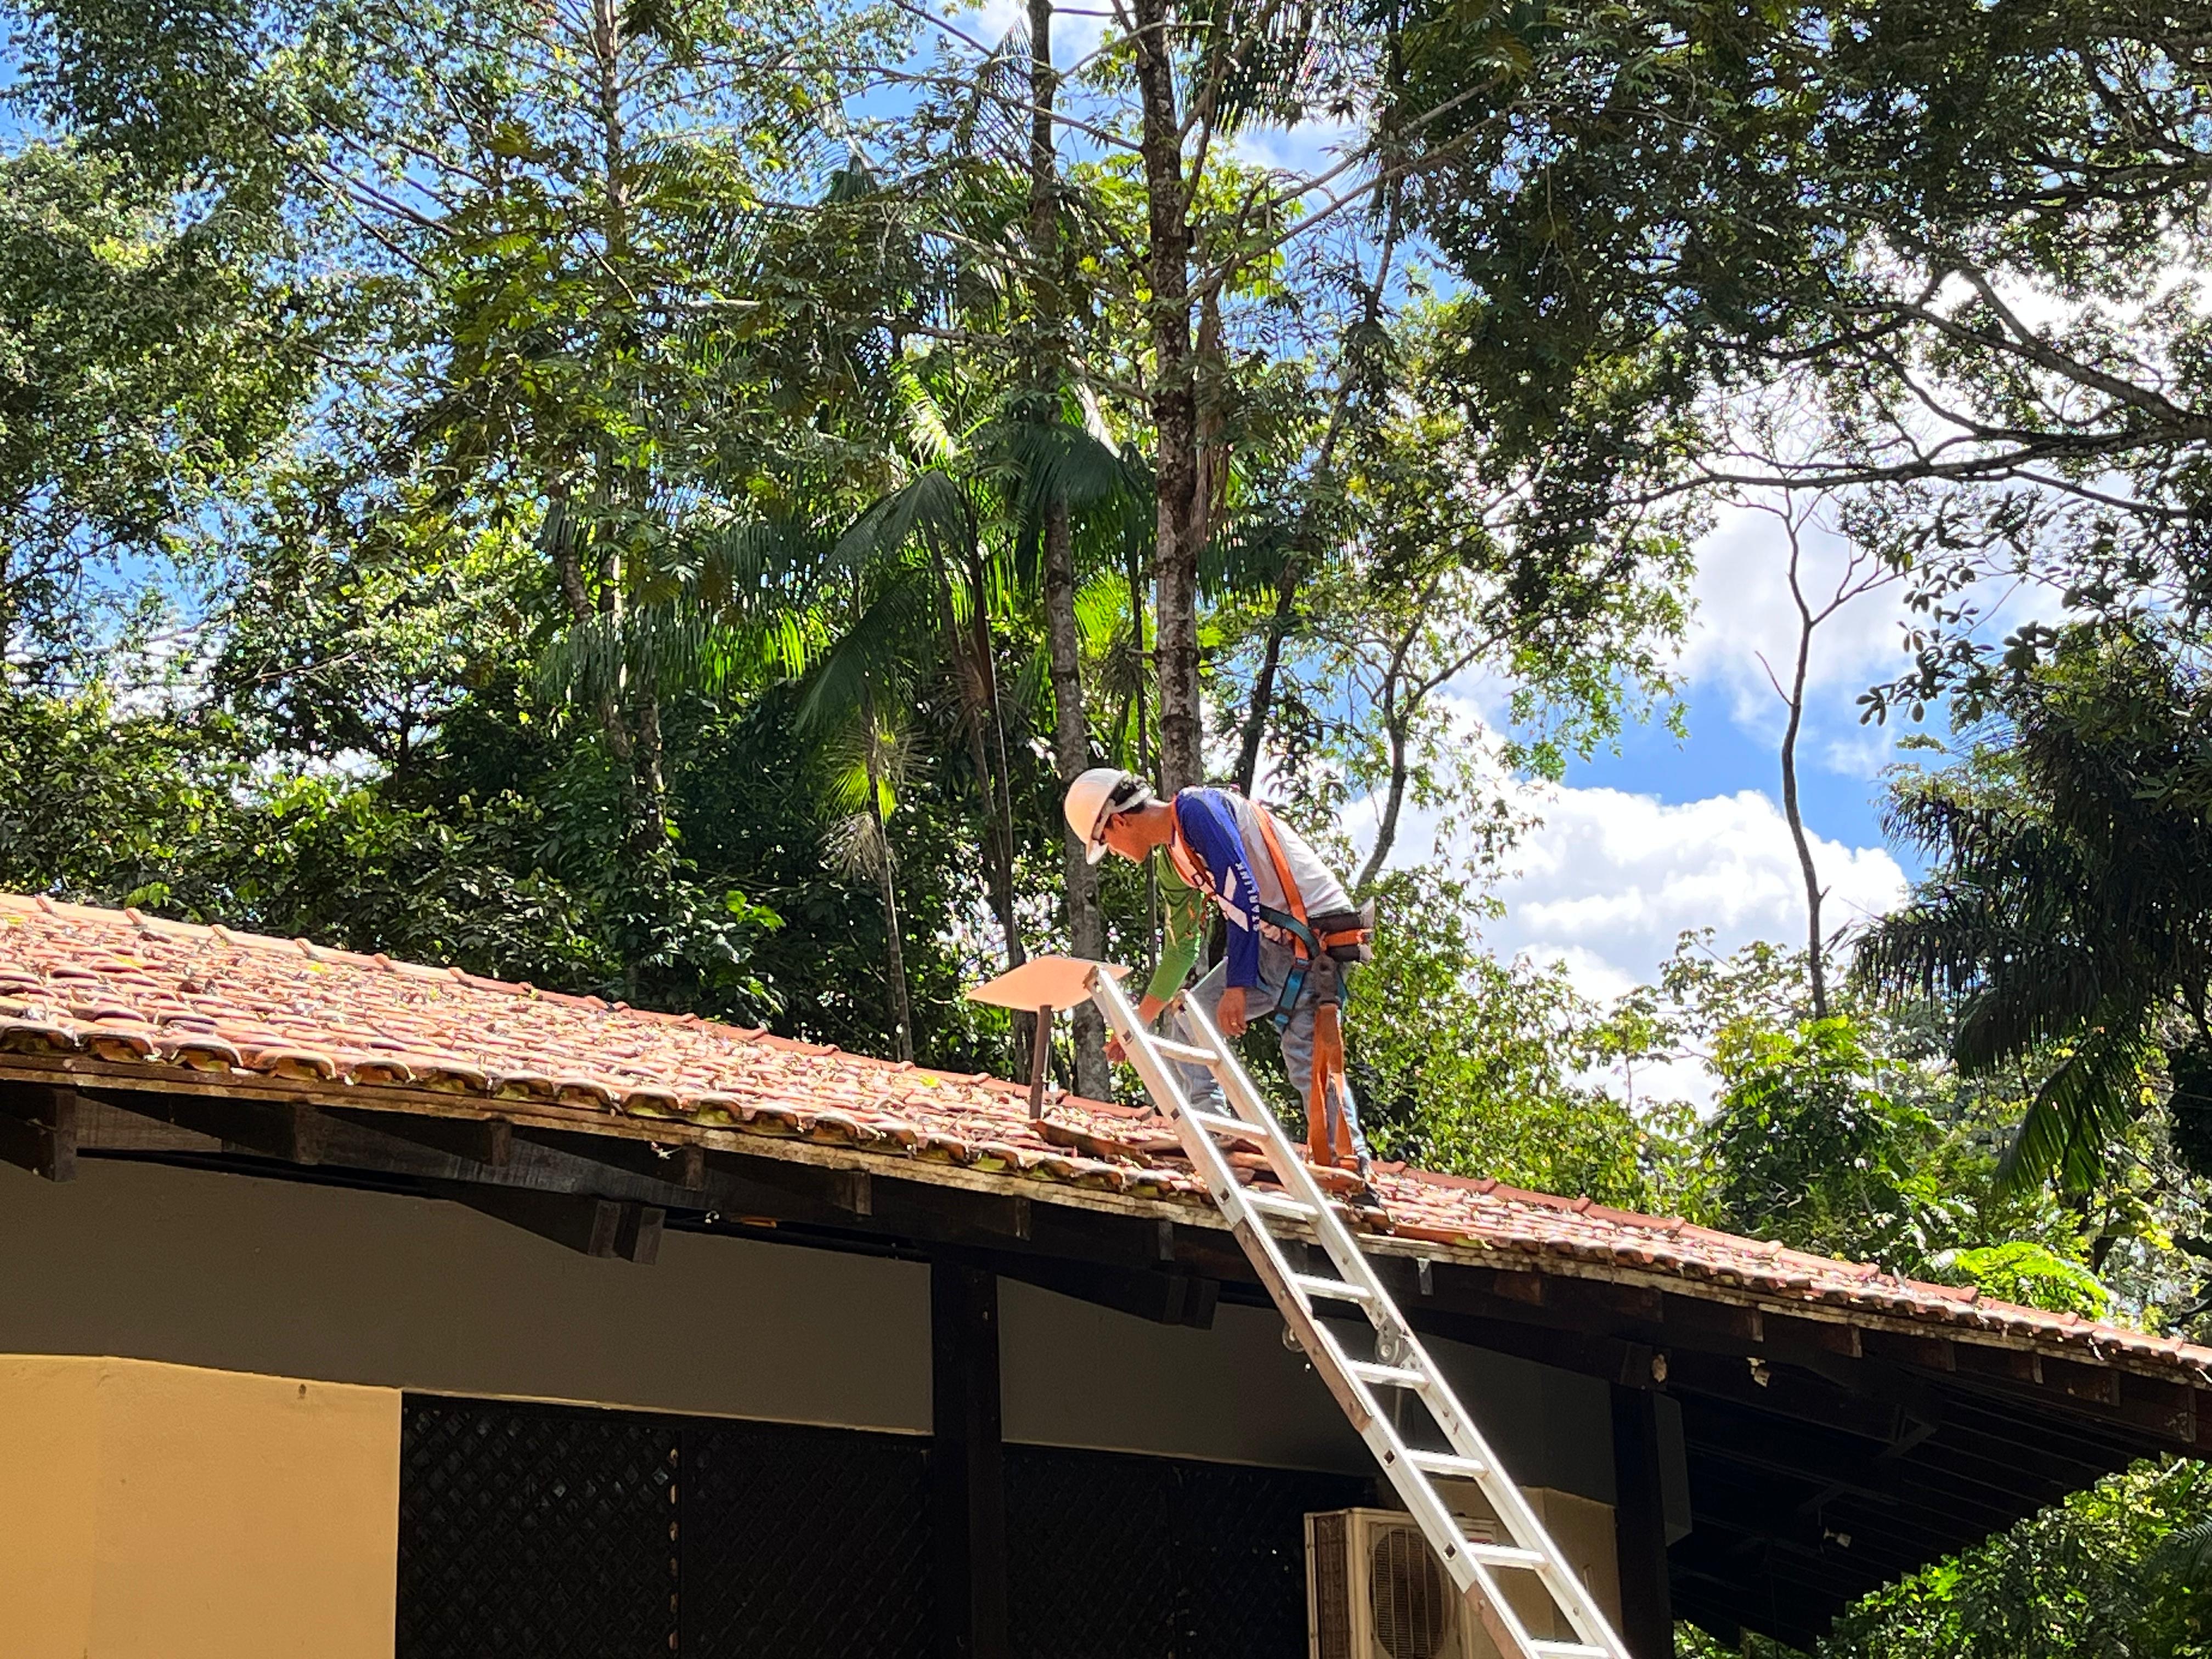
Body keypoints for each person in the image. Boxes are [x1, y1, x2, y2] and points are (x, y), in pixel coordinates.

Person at [1062, 768, 1376, 1182]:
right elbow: (1181, 948)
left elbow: (1241, 890)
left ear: (1118, 821)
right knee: (1190, 1020)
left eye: (1107, 842)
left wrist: (1238, 984)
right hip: (1274, 943)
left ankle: (1353, 1169)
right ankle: (1217, 1133)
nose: (1115, 852)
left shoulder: (1198, 809)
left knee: (1307, 1061)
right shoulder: (1175, 864)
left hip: (1314, 940)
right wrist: (1139, 1021)